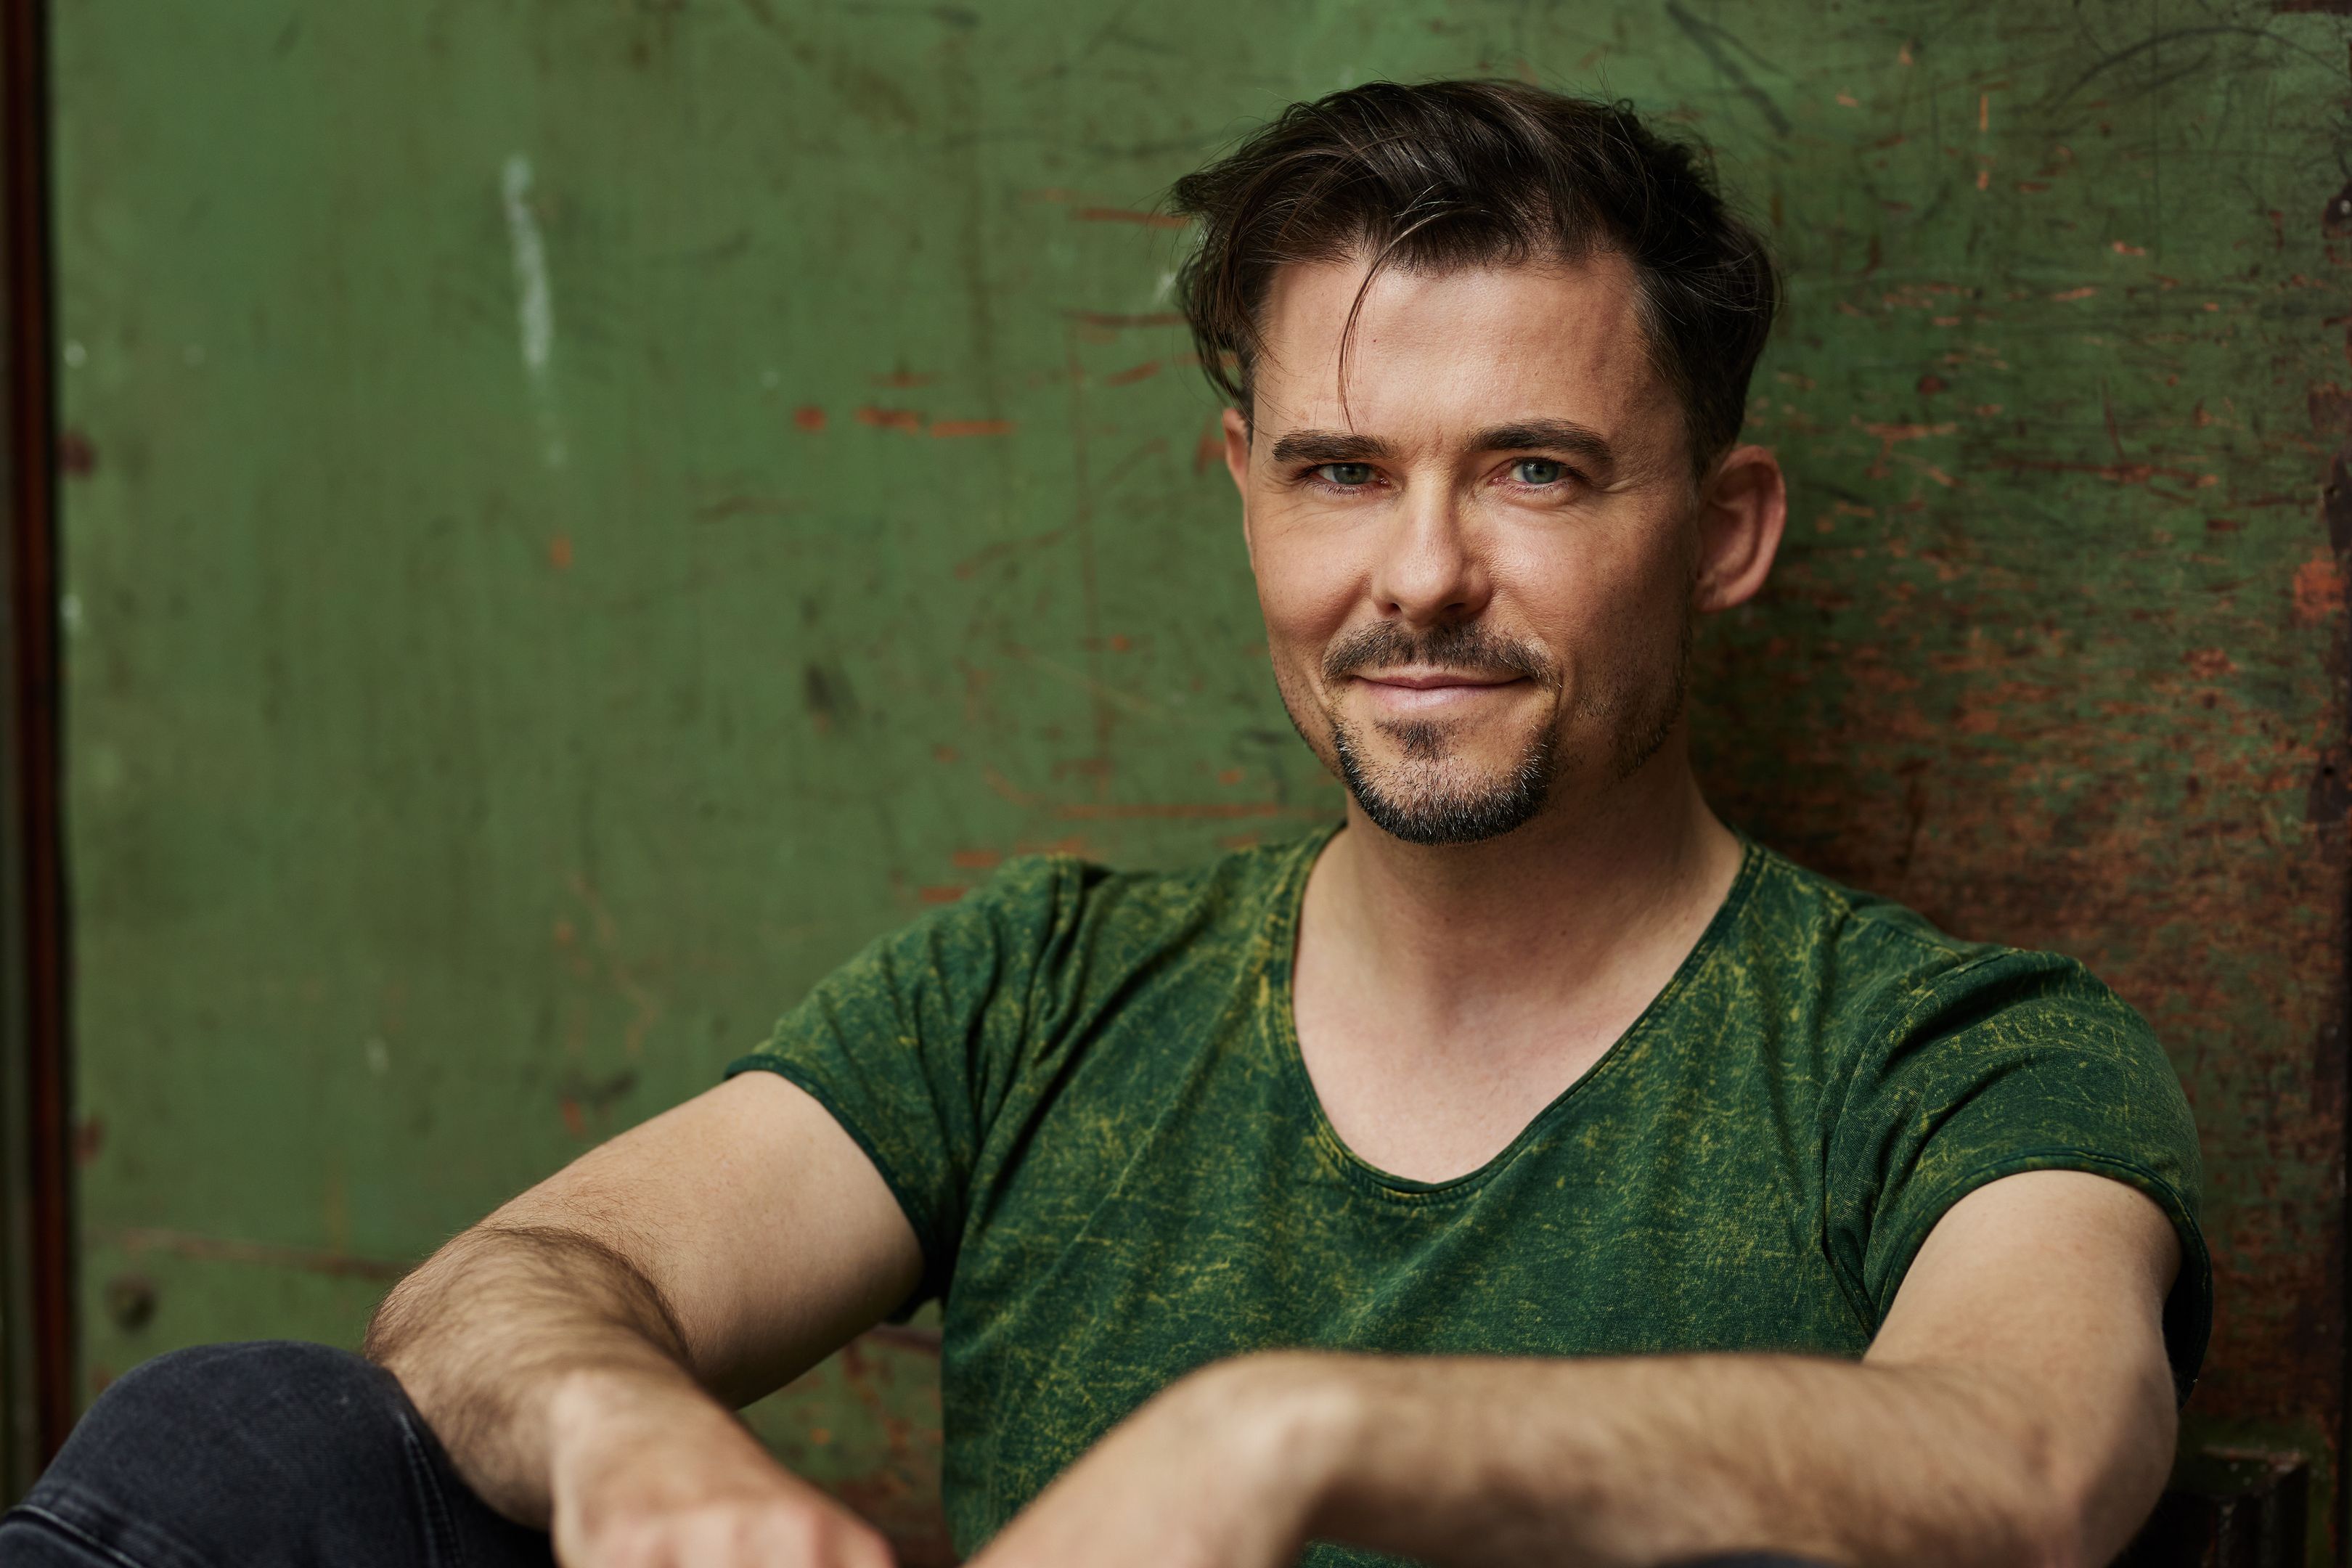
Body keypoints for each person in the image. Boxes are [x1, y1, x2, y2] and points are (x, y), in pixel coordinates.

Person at [2, 79, 2205, 1568]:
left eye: (1533, 472)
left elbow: (2025, 1461)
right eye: (1340, 472)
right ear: (1244, 495)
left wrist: (1295, 1438)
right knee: (248, 1444)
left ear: (1721, 532)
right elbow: (506, 1289)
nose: (1419, 574)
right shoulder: (1050, 990)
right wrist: (623, 1433)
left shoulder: (1947, 1057)